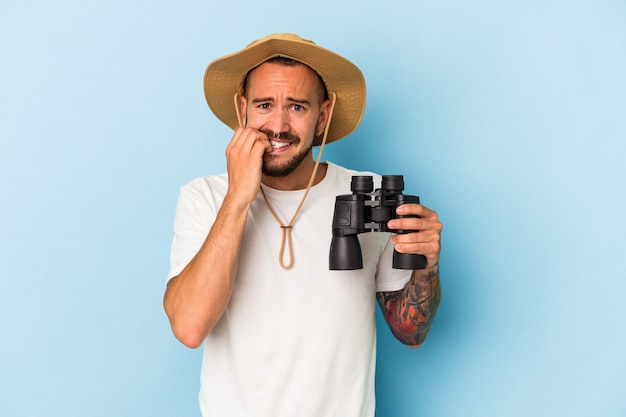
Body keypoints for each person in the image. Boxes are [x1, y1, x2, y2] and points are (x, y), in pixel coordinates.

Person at [164, 33, 442, 417]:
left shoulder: (367, 195)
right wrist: (237, 199)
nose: (277, 125)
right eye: (264, 105)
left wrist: (426, 264)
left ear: (322, 116)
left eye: (296, 106)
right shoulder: (206, 198)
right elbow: (189, 327)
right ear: (242, 108)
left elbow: (411, 333)